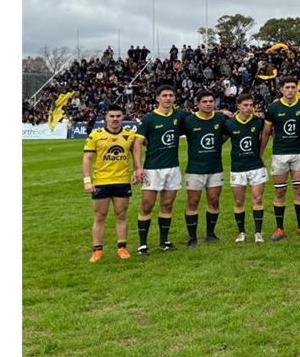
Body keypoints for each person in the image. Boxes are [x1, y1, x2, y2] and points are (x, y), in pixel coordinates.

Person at [82, 105, 142, 261]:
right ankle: (97, 250)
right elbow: (87, 159)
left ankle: (122, 248)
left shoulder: (130, 135)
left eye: (118, 116)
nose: (115, 119)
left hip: (122, 181)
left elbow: (136, 154)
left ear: (123, 117)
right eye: (112, 116)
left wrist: (137, 170)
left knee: (121, 215)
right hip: (101, 181)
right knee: (100, 216)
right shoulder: (96, 135)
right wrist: (87, 180)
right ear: (106, 118)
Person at [134, 85, 186, 254]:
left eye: (171, 95)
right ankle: (142, 244)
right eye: (164, 95)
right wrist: (138, 167)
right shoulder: (149, 118)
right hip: (153, 169)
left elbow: (201, 117)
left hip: (172, 168)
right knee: (147, 205)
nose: (168, 98)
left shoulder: (179, 116)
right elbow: (137, 144)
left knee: (167, 205)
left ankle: (164, 241)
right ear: (157, 98)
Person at [263, 78, 300, 243]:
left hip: (298, 152)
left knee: (299, 190)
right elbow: (266, 132)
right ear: (281, 90)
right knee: (280, 191)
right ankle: (279, 227)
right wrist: (260, 153)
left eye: (293, 87)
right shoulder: (273, 107)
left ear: (297, 89)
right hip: (280, 154)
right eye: (287, 87)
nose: (290, 90)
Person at [180, 90, 228, 245]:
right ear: (197, 104)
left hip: (215, 167)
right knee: (193, 201)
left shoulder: (220, 119)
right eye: (205, 102)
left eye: (211, 101)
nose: (208, 104)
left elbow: (228, 133)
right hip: (195, 168)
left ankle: (210, 234)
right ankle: (192, 238)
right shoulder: (189, 121)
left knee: (214, 201)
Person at [223, 93, 270, 243]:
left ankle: (258, 232)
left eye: (251, 105)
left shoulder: (258, 121)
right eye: (245, 105)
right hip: (238, 167)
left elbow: (268, 133)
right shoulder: (229, 123)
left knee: (257, 198)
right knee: (239, 201)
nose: (249, 108)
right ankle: (241, 232)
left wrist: (261, 154)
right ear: (238, 107)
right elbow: (220, 141)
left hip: (256, 165)